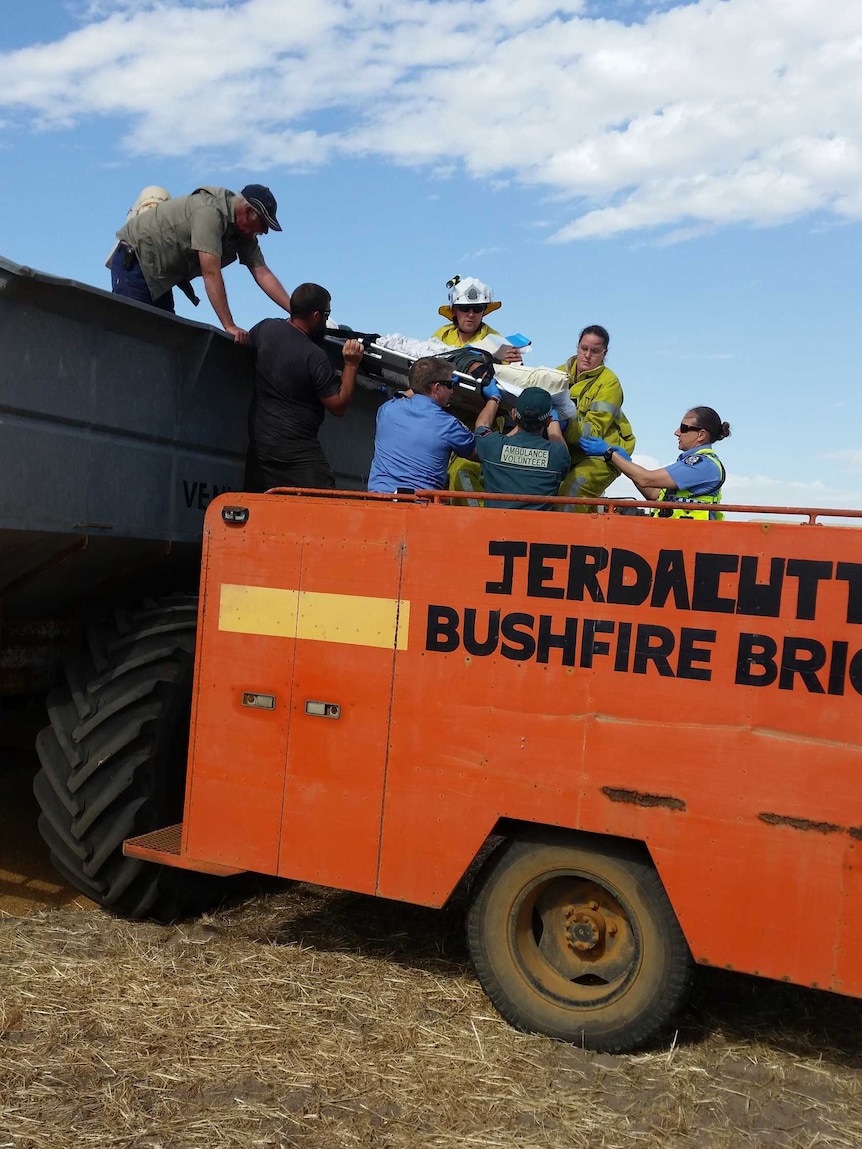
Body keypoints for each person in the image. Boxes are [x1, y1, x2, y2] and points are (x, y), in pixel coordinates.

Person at [111, 184, 292, 343]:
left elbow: (262, 273)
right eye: (263, 224)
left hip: (161, 277)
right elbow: (211, 272)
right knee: (133, 337)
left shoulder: (243, 233)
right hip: (136, 262)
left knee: (163, 337)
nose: (265, 232)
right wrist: (229, 325)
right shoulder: (210, 213)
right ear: (247, 212)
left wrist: (297, 312)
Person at [244, 283, 364, 493]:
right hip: (299, 454)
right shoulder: (315, 357)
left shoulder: (264, 329)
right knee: (324, 511)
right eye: (327, 314)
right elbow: (338, 406)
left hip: (261, 447)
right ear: (316, 315)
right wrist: (351, 364)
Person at [579, 406, 730, 520]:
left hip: (693, 541)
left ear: (701, 435)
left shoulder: (703, 465)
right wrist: (625, 462)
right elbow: (653, 494)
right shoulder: (692, 463)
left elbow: (646, 479)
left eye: (684, 428)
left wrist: (610, 453)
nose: (677, 432)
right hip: (678, 538)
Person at [556, 325, 636, 512]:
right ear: (577, 346)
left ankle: (564, 540)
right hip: (569, 450)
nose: (587, 355)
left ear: (604, 353)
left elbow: (594, 432)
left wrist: (565, 423)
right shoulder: (558, 373)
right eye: (584, 349)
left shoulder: (609, 383)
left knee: (572, 493)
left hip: (603, 453)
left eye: (595, 351)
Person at [368, 357, 476, 493]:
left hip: (377, 503)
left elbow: (406, 395)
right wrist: (494, 400)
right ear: (437, 388)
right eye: (449, 385)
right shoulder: (448, 424)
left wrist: (422, 382)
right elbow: (481, 453)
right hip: (418, 508)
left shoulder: (386, 410)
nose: (452, 391)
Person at [474, 384, 571, 510]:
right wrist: (553, 424)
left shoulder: (492, 445)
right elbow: (562, 451)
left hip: (496, 526)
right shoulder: (558, 454)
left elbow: (481, 426)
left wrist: (494, 398)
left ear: (513, 414)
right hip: (536, 529)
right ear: (548, 421)